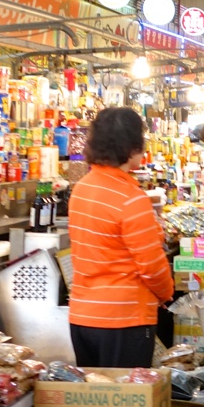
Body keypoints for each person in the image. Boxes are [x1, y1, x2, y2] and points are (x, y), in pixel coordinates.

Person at [67, 107, 174, 368]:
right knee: (125, 405)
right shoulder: (131, 198)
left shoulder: (81, 188)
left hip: (82, 318)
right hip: (124, 320)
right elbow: (151, 266)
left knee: (95, 401)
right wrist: (166, 293)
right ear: (132, 145)